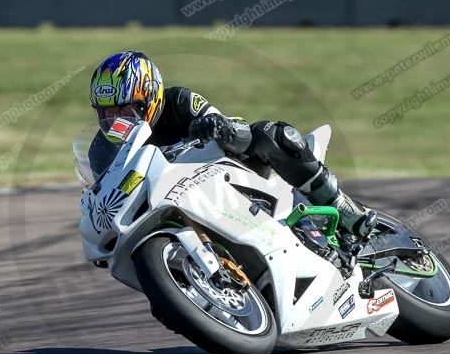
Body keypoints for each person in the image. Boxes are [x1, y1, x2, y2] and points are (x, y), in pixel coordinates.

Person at [88, 51, 377, 238]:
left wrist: (214, 127)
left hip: (228, 173)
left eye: (125, 109)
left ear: (150, 97)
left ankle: (340, 205)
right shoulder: (102, 150)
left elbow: (234, 129)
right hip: (176, 205)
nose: (116, 120)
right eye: (106, 112)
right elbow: (105, 198)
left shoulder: (178, 102)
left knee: (269, 134)